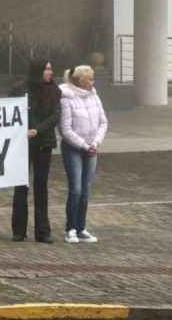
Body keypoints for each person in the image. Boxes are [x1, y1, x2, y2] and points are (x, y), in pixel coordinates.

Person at [9, 59, 61, 243]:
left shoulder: (54, 91)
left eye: (50, 68)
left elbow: (56, 116)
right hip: (23, 143)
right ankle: (18, 230)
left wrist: (38, 129)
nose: (50, 72)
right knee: (21, 185)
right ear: (38, 71)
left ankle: (43, 231)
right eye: (47, 69)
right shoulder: (19, 89)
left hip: (43, 142)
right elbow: (11, 113)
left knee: (41, 187)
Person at [58, 64, 108, 244]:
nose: (93, 82)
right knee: (76, 188)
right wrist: (85, 146)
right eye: (90, 79)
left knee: (85, 189)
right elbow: (65, 129)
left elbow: (103, 122)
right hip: (74, 149)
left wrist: (95, 143)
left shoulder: (94, 95)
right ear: (81, 81)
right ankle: (70, 228)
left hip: (91, 148)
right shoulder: (66, 98)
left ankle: (81, 228)